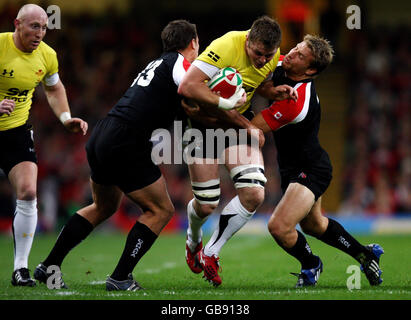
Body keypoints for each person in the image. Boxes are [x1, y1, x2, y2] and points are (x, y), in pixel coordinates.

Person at [33, 19, 200, 291]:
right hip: (127, 141)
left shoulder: (157, 64)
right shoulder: (182, 65)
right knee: (161, 210)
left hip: (104, 134)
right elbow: (189, 90)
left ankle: (48, 266)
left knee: (104, 207)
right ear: (193, 43)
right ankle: (121, 277)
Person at [250, 34, 384, 287]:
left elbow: (251, 128)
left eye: (300, 55)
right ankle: (365, 254)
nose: (290, 54)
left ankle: (311, 264)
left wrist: (217, 108)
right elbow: (253, 75)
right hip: (292, 167)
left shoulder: (297, 101)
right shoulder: (280, 64)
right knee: (314, 225)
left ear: (310, 70)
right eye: (295, 48)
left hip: (311, 169)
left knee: (279, 227)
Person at [178, 16, 297, 287]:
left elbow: (256, 84)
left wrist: (273, 91)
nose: (262, 60)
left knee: (254, 192)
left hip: (235, 126)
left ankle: (211, 252)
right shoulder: (225, 46)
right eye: (257, 53)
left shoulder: (271, 53)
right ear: (247, 41)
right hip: (203, 126)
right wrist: (244, 122)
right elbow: (187, 86)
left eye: (268, 56)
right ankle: (193, 239)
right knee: (207, 204)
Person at [0, 4, 88, 287]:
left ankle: (20, 269)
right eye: (34, 26)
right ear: (17, 24)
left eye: (44, 28)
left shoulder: (47, 55)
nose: (39, 33)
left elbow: (53, 88)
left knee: (27, 192)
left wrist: (65, 117)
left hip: (15, 132)